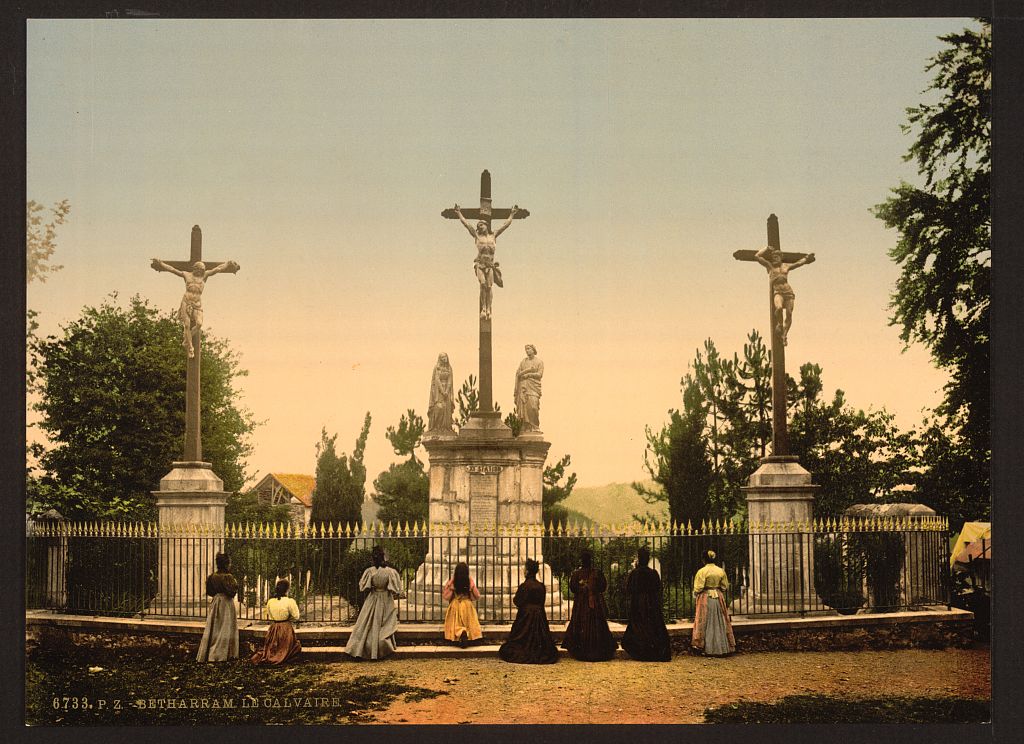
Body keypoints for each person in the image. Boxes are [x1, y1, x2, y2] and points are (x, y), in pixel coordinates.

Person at [151, 257, 240, 358]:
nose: (200, 271)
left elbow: (217, 269)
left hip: (197, 303)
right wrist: (161, 263)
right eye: (199, 269)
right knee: (187, 326)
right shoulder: (186, 275)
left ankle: (186, 340)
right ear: (195, 268)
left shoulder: (204, 276)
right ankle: (190, 348)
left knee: (199, 324)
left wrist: (227, 264)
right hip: (186, 302)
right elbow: (172, 270)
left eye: (202, 270)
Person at [453, 203, 518, 320]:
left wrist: (512, 214)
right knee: (482, 284)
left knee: (489, 287)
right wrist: (458, 213)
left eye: (481, 225)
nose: (479, 227)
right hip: (480, 264)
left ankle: (489, 309)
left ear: (486, 226)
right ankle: (483, 308)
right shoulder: (477, 236)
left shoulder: (494, 236)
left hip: (490, 265)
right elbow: (467, 225)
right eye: (478, 225)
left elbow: (505, 225)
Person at [345, 546, 406, 660]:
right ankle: (382, 645)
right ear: (384, 556)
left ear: (373, 558)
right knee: (384, 621)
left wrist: (374, 585)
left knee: (367, 622)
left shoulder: (370, 571)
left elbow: (363, 587)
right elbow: (396, 589)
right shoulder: (390, 572)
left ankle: (364, 647)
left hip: (373, 597)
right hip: (386, 599)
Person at [499, 559, 558, 664]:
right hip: (539, 615)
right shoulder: (541, 586)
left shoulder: (524, 586)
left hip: (526, 615)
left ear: (527, 571)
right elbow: (542, 601)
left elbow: (517, 601)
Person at [754, 245, 815, 346]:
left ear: (780, 257)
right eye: (773, 257)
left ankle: (784, 335)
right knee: (778, 308)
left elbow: (798, 263)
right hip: (778, 292)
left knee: (789, 313)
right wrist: (766, 248)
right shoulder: (769, 266)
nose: (775, 259)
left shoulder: (786, 266)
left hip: (788, 292)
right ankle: (779, 324)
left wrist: (806, 258)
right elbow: (757, 256)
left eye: (777, 257)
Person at [562, 550, 617, 661]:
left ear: (582, 561)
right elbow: (603, 587)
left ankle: (582, 651)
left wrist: (583, 588)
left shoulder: (577, 574)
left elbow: (573, 588)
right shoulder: (596, 573)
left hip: (582, 603)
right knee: (596, 623)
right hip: (594, 602)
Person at [621, 547, 672, 661]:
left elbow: (628, 589)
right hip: (651, 602)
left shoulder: (634, 573)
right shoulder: (653, 573)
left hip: (638, 603)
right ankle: (652, 651)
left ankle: (641, 651)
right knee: (652, 624)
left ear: (639, 559)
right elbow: (658, 588)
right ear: (648, 559)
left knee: (638, 624)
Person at [691, 550, 736, 657]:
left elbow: (698, 587)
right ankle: (722, 647)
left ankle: (707, 647)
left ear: (703, 559)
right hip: (718, 596)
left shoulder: (702, 571)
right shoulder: (720, 571)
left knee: (706, 621)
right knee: (719, 621)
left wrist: (696, 593)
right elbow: (724, 586)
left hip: (705, 597)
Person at [196, 552, 239, 662]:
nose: (230, 565)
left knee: (215, 628)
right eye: (229, 563)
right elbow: (232, 592)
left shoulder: (212, 576)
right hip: (226, 603)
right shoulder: (228, 577)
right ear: (226, 564)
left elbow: (210, 591)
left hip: (215, 602)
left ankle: (211, 653)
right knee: (225, 628)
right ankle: (221, 654)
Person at [251, 578, 302, 665]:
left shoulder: (270, 601)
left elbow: (269, 615)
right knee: (294, 647)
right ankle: (283, 655)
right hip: (286, 628)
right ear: (287, 589)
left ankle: (273, 655)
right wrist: (288, 619)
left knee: (273, 646)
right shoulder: (290, 601)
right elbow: (296, 616)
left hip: (274, 628)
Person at [443, 562, 483, 648]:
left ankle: (460, 633)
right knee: (469, 622)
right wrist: (471, 587)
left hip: (455, 604)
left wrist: (450, 585)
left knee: (455, 622)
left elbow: (446, 596)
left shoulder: (453, 582)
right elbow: (476, 596)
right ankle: (468, 635)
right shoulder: (469, 581)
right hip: (467, 604)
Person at [513, 344, 544, 432]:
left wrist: (529, 374)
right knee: (525, 407)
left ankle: (535, 426)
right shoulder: (523, 362)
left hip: (534, 387)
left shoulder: (539, 362)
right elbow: (518, 374)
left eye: (528, 349)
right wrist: (527, 371)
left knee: (534, 406)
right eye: (526, 349)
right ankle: (527, 427)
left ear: (533, 350)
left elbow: (540, 375)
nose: (527, 351)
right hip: (524, 387)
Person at [427, 352, 455, 435]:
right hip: (438, 392)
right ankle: (436, 427)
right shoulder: (437, 368)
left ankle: (446, 428)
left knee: (447, 408)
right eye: (442, 357)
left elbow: (450, 380)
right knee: (439, 407)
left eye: (445, 356)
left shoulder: (449, 368)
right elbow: (437, 380)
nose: (444, 358)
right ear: (440, 358)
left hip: (447, 391)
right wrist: (443, 391)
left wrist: (447, 391)